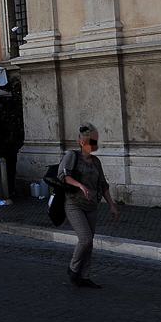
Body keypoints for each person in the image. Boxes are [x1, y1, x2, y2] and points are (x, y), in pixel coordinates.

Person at [58, 122, 119, 289]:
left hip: (91, 205)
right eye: (92, 142)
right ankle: (73, 268)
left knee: (89, 242)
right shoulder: (72, 156)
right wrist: (80, 185)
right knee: (84, 239)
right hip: (74, 204)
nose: (95, 145)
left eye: (96, 141)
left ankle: (84, 276)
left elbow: (103, 184)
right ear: (82, 143)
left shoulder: (96, 162)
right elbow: (63, 176)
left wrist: (112, 206)